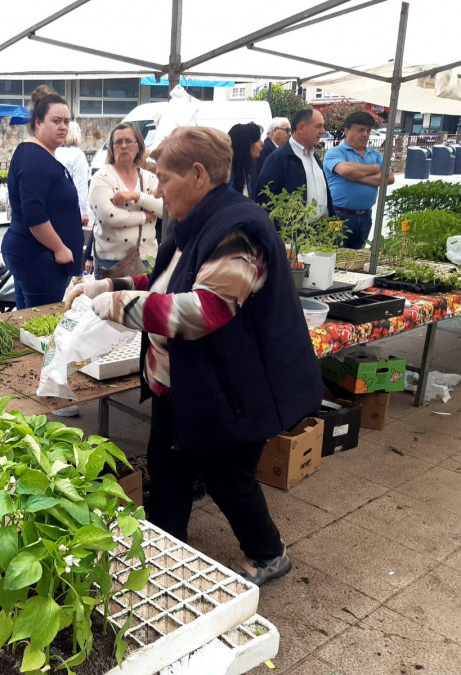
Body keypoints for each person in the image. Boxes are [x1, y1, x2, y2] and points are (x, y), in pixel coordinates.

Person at [64, 126, 323, 586]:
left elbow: (205, 309)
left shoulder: (238, 230)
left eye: (164, 178)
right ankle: (167, 549)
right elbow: (168, 280)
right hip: (180, 385)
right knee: (167, 469)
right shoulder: (195, 220)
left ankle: (269, 554)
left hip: (234, 388)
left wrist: (119, 307)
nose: (156, 190)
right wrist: (109, 285)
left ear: (198, 174)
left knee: (228, 477)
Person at [2, 85, 83, 309]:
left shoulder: (39, 154)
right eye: (56, 121)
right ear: (38, 123)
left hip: (35, 256)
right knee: (39, 326)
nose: (63, 126)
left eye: (67, 121)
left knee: (25, 322)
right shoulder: (34, 158)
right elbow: (34, 214)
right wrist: (60, 248)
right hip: (40, 258)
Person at [88, 123, 162, 279]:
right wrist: (145, 216)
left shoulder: (150, 178)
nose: (123, 146)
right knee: (109, 304)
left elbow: (163, 208)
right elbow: (110, 216)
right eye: (118, 142)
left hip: (147, 258)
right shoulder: (102, 177)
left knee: (145, 303)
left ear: (138, 146)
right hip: (111, 261)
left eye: (128, 141)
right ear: (112, 148)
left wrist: (137, 196)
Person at [323, 111, 394, 249]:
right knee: (335, 256)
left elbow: (390, 177)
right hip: (339, 216)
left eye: (368, 130)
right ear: (347, 131)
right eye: (361, 130)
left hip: (365, 217)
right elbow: (346, 170)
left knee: (357, 260)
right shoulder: (335, 153)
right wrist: (376, 168)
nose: (366, 134)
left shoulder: (375, 154)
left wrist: (356, 176)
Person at [256, 107, 333, 221]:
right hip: (294, 235)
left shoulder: (315, 158)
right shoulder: (278, 159)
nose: (323, 131)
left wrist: (334, 230)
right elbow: (264, 199)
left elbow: (327, 200)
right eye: (318, 126)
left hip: (321, 232)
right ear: (301, 127)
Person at [55, 120, 90, 228]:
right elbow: (80, 186)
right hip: (72, 209)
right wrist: (83, 212)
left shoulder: (55, 152)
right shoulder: (78, 155)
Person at [228, 122, 264, 200]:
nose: (262, 143)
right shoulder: (227, 173)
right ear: (246, 145)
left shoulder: (246, 169)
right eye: (257, 140)